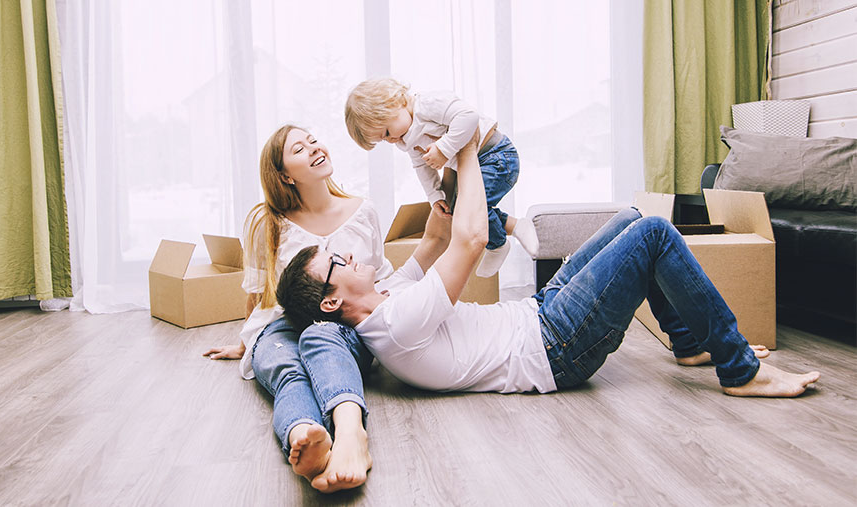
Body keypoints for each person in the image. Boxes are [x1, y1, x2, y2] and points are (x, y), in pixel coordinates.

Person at [276, 133, 820, 399]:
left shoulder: (389, 294)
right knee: (654, 233)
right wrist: (469, 151)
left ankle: (687, 341)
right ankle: (739, 370)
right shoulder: (394, 324)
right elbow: (466, 241)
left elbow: (438, 237)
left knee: (632, 218)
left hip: (538, 314)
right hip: (554, 348)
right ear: (331, 301)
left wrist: (425, 151)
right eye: (337, 259)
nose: (350, 253)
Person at [202, 125, 390, 493]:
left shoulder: (363, 210)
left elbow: (379, 276)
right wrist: (245, 345)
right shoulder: (265, 222)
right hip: (282, 324)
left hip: (343, 325)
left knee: (322, 337)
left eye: (313, 140)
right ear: (285, 174)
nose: (314, 148)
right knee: (287, 367)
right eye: (299, 149)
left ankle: (352, 435)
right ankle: (305, 438)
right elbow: (258, 293)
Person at [344, 77, 539, 277]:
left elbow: (468, 116)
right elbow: (421, 165)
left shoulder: (426, 105)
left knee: (472, 209)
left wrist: (444, 149)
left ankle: (497, 244)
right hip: (474, 166)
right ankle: (515, 225)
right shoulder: (406, 137)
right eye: (383, 139)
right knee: (458, 212)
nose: (391, 140)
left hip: (496, 157)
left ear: (393, 103)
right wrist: (434, 196)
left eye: (386, 132)